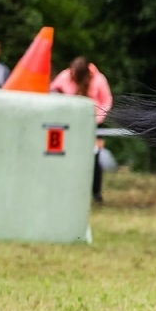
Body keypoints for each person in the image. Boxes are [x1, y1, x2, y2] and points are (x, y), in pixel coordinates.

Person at [49, 56, 114, 203]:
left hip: (93, 125)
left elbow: (107, 100)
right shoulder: (65, 76)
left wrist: (97, 119)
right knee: (69, 156)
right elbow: (52, 90)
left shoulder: (98, 79)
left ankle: (96, 193)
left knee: (94, 158)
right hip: (70, 123)